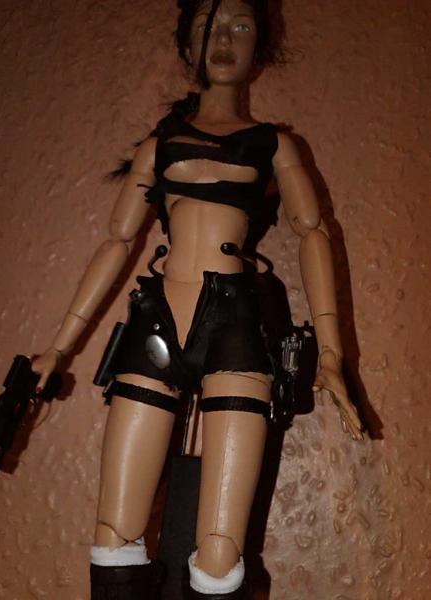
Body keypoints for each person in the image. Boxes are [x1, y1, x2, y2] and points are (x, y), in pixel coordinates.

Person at [31, 0, 364, 598]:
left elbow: (313, 233)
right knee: (114, 536)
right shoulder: (159, 145)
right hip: (157, 321)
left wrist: (332, 354)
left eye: (242, 26)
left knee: (220, 551)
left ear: (261, 47)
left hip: (235, 323)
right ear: (188, 45)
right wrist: (57, 350)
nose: (224, 40)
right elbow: (116, 241)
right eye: (209, 27)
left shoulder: (273, 144)